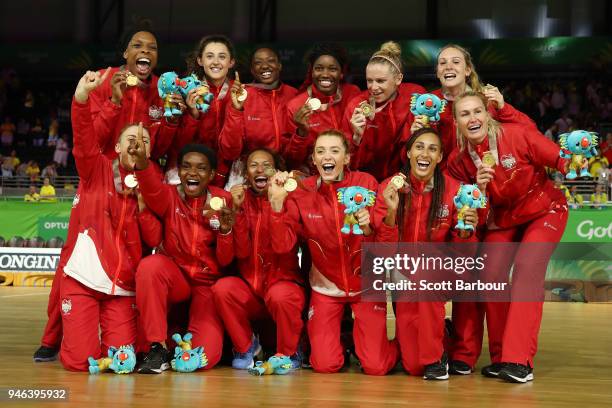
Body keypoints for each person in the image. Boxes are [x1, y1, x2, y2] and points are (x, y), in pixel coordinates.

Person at [447, 91, 568, 383]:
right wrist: (480, 190)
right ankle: (501, 357)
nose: (473, 118)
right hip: (503, 219)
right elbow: (471, 212)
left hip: (545, 210)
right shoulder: (458, 161)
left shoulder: (517, 134)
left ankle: (519, 360)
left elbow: (561, 159)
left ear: (488, 115)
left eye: (478, 111)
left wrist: (579, 158)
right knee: (490, 275)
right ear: (456, 123)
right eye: (464, 114)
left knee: (527, 269)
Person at [55, 69, 161, 371]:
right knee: (77, 362)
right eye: (130, 138)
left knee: (121, 364)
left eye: (143, 140)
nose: (135, 144)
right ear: (116, 146)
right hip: (83, 279)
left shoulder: (151, 185)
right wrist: (81, 99)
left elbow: (154, 240)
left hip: (122, 286)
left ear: (150, 152)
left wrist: (143, 205)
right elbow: (84, 136)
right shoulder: (96, 169)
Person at [268, 130, 398, 375]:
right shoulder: (302, 192)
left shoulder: (366, 183)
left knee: (376, 367)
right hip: (325, 286)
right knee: (325, 365)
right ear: (314, 160)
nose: (327, 156)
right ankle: (349, 341)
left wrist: (368, 227)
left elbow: (384, 244)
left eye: (334, 151)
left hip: (366, 285)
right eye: (320, 151)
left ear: (346, 158)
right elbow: (283, 246)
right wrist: (276, 205)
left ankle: (401, 346)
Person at [372, 128, 478, 380]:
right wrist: (390, 212)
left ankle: (435, 360)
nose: (425, 153)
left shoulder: (455, 191)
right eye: (419, 147)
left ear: (440, 157)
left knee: (428, 273)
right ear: (408, 153)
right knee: (412, 366)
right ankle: (443, 334)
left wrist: (466, 232)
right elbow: (383, 252)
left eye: (432, 149)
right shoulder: (389, 188)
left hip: (442, 273)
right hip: (405, 281)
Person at [132, 141, 235, 373]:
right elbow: (150, 187)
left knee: (203, 359)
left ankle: (178, 342)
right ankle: (157, 347)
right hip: (176, 278)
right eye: (186, 166)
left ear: (210, 174)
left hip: (206, 285)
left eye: (201, 168)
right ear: (178, 171)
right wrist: (141, 162)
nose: (193, 173)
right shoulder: (169, 196)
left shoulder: (223, 200)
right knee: (151, 266)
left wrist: (226, 232)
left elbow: (227, 260)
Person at [213, 148, 305, 370]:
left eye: (267, 165)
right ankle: (247, 347)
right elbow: (240, 253)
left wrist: (276, 204)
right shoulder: (240, 200)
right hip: (251, 290)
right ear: (246, 173)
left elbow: (283, 247)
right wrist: (236, 210)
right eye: (254, 165)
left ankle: (290, 353)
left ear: (276, 171)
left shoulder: (290, 199)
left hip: (283, 285)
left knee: (281, 295)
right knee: (222, 289)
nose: (260, 169)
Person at [430, 44, 534, 166]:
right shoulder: (428, 103)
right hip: (445, 179)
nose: (448, 67)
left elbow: (530, 131)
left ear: (467, 70)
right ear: (437, 72)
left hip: (485, 174)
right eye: (442, 63)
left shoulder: (486, 100)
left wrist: (503, 107)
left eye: (456, 62)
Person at [88, 29, 180, 160]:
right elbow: (93, 141)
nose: (146, 51)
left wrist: (172, 121)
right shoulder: (102, 79)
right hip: (105, 170)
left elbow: (158, 151)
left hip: (143, 172)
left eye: (152, 48)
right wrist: (114, 102)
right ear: (125, 53)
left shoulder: (164, 90)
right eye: (137, 45)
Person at [345, 41, 425, 181]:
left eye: (380, 81)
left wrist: (414, 138)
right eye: (369, 81)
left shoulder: (413, 98)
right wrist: (356, 139)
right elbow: (346, 163)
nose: (374, 87)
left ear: (398, 79)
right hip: (365, 182)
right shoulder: (356, 106)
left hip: (405, 179)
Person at [284, 43, 361, 172]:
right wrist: (301, 132)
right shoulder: (296, 106)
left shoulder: (352, 94)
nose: (325, 74)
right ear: (311, 72)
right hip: (315, 179)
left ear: (341, 73)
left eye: (332, 69)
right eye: (319, 68)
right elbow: (291, 161)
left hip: (351, 176)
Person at [176, 35, 237, 187]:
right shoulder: (186, 91)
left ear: (231, 62)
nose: (216, 62)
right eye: (210, 56)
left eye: (222, 57)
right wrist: (193, 116)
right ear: (200, 61)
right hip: (196, 170)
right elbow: (180, 145)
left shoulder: (241, 93)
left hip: (231, 170)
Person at [219, 47, 298, 162]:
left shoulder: (294, 95)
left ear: (279, 65)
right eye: (258, 62)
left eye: (270, 60)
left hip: (289, 169)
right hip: (253, 170)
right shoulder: (241, 96)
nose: (265, 66)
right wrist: (236, 110)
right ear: (252, 70)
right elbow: (229, 152)